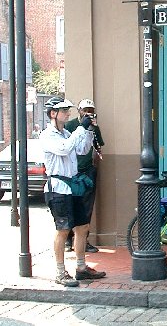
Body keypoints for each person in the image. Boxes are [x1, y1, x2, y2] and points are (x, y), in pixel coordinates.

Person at [40, 96, 106, 287]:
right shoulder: (48, 135)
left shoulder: (67, 134)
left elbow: (82, 149)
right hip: (58, 188)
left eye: (68, 110)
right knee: (63, 229)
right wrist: (79, 128)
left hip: (73, 186)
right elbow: (64, 149)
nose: (68, 113)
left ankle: (81, 268)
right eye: (64, 111)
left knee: (82, 227)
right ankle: (60, 272)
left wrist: (87, 130)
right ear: (53, 114)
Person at [64, 99, 104, 253]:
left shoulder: (94, 127)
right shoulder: (71, 125)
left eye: (91, 110)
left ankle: (83, 240)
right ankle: (68, 239)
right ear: (79, 111)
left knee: (86, 207)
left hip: (87, 170)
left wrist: (93, 128)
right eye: (85, 110)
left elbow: (99, 144)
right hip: (72, 171)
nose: (88, 113)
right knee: (69, 204)